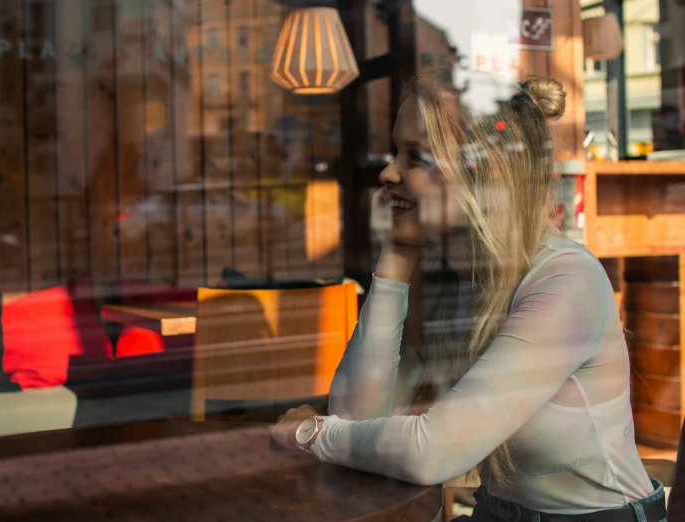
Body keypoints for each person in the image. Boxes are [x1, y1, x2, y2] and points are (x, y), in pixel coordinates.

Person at [270, 71, 667, 522]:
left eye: (416, 157)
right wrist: (395, 265)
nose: (388, 172)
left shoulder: (567, 280)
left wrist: (310, 432)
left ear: (484, 173)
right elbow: (358, 419)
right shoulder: (459, 279)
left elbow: (432, 452)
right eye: (395, 152)